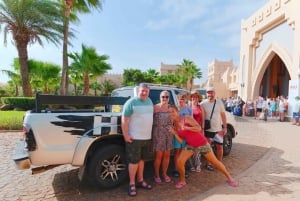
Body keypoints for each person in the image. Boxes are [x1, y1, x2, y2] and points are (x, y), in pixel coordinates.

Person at [167, 105, 238, 189]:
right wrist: (174, 133)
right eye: (169, 112)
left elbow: (198, 128)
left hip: (202, 143)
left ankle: (230, 178)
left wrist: (186, 127)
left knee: (215, 162)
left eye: (173, 111)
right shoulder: (174, 125)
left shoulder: (186, 118)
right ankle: (182, 181)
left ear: (177, 112)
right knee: (179, 161)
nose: (171, 113)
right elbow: (182, 141)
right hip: (190, 145)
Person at [121, 83, 154, 196]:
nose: (144, 93)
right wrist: (126, 135)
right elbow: (124, 120)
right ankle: (132, 184)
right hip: (134, 138)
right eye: (142, 91)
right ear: (138, 91)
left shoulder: (149, 101)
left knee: (141, 160)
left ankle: (140, 180)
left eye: (146, 91)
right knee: (133, 161)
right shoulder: (131, 102)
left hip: (146, 138)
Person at [200, 86, 227, 171]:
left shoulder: (219, 102)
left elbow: (223, 115)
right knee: (208, 149)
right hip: (208, 130)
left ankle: (219, 163)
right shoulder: (202, 104)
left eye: (211, 92)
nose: (210, 94)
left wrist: (225, 127)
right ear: (206, 93)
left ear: (214, 93)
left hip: (218, 130)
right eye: (208, 92)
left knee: (219, 147)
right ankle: (209, 164)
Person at [152, 91, 173, 183]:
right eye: (163, 97)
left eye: (166, 97)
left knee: (167, 155)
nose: (164, 98)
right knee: (159, 156)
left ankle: (164, 174)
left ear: (169, 98)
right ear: (160, 97)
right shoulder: (155, 107)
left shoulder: (171, 108)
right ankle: (156, 175)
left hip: (168, 133)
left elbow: (176, 119)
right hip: (158, 133)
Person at [172, 93, 192, 177]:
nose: (180, 100)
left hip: (186, 133)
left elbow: (191, 121)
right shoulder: (176, 109)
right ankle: (176, 169)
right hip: (177, 132)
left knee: (183, 152)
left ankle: (182, 169)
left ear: (185, 100)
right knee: (177, 151)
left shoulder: (189, 109)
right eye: (179, 99)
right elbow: (173, 120)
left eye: (182, 99)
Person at [188, 90, 205, 173]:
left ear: (198, 98)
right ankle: (192, 165)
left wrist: (203, 129)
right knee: (190, 148)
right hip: (189, 130)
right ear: (191, 98)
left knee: (197, 149)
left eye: (196, 97)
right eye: (193, 96)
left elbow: (203, 119)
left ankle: (198, 164)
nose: (194, 98)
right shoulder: (188, 106)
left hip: (198, 130)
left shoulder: (200, 107)